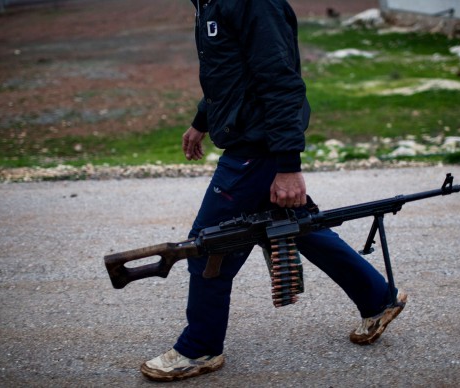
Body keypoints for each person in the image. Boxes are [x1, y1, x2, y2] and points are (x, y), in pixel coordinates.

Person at [140, 0, 407, 381]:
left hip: (257, 148)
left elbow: (280, 81)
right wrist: (202, 120)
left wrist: (287, 167)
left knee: (206, 247)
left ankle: (199, 348)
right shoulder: (209, 3)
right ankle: (378, 299)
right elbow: (230, 72)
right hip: (249, 140)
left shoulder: (251, 3)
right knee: (299, 228)